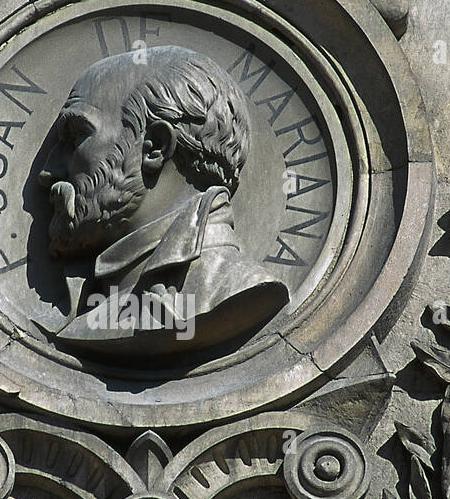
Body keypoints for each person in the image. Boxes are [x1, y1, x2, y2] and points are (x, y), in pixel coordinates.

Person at [39, 45, 288, 356]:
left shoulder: (230, 289)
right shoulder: (97, 286)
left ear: (154, 148)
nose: (48, 172)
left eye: (76, 138)